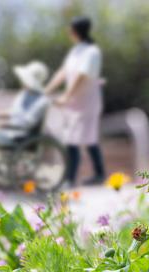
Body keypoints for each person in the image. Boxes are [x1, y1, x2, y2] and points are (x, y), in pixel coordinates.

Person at [45, 16, 105, 186]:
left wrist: (66, 96)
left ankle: (72, 179)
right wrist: (47, 90)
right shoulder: (76, 51)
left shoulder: (92, 52)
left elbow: (81, 76)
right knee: (78, 138)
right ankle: (94, 175)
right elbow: (63, 72)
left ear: (76, 31)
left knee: (82, 138)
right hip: (74, 102)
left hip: (87, 102)